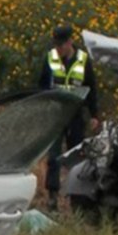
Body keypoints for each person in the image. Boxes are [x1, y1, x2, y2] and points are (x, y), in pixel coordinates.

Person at [38, 25, 99, 211]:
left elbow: (91, 88)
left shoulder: (82, 60)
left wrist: (94, 115)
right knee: (54, 156)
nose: (59, 49)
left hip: (75, 115)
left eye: (61, 45)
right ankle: (52, 197)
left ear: (70, 42)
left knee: (76, 157)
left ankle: (76, 199)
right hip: (55, 115)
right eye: (56, 45)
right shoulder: (51, 58)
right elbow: (41, 86)